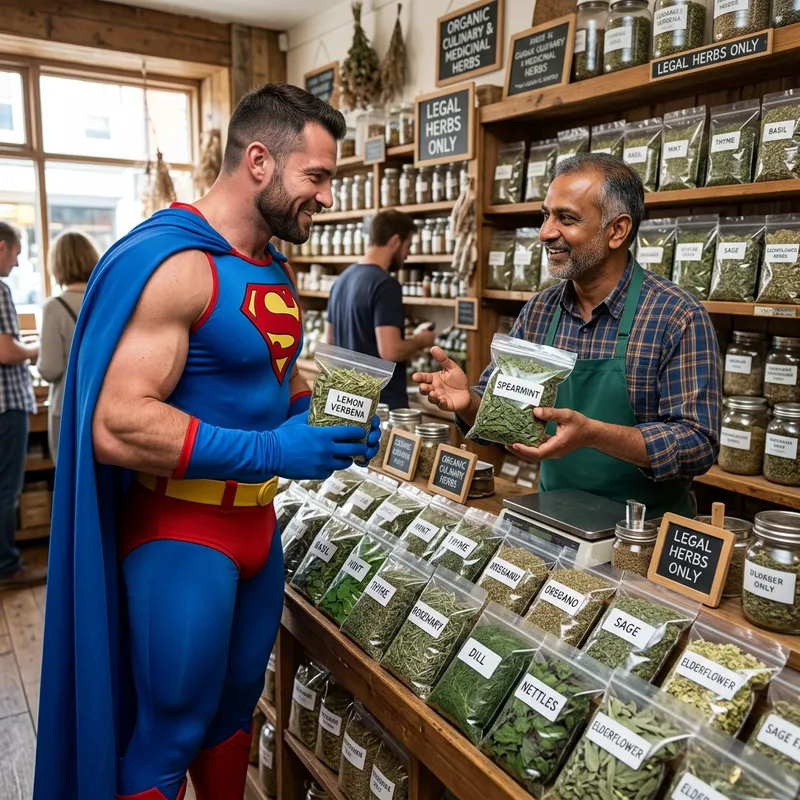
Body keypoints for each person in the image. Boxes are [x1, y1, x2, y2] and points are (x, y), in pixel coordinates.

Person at [34, 84, 381, 800]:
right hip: (181, 534)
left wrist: (331, 418)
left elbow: (269, 388)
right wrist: (276, 453)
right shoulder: (178, 263)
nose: (324, 196)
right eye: (316, 177)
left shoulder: (273, 270)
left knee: (230, 723)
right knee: (171, 732)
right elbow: (117, 421)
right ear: (260, 161)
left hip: (256, 531)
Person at [414, 153, 722, 518]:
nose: (545, 232)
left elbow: (698, 444)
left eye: (567, 218)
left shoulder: (676, 315)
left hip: (643, 536)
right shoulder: (540, 310)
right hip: (552, 519)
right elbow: (507, 412)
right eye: (546, 215)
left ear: (617, 230)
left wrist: (593, 433)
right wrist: (468, 402)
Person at [326, 209, 437, 408]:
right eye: (407, 246)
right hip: (381, 403)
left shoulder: (341, 280)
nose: (407, 255)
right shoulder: (385, 285)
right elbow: (391, 351)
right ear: (394, 241)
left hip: (347, 401)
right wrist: (421, 341)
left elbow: (329, 343)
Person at [0, 223, 47, 590]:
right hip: (7, 406)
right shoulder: (0, 289)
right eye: (16, 253)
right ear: (2, 248)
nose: (16, 264)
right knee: (7, 489)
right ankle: (7, 565)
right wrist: (34, 349)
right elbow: (5, 351)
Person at [37, 230, 99, 460]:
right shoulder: (104, 298)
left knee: (68, 483)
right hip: (102, 404)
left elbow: (50, 369)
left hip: (68, 407)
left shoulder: (54, 307)